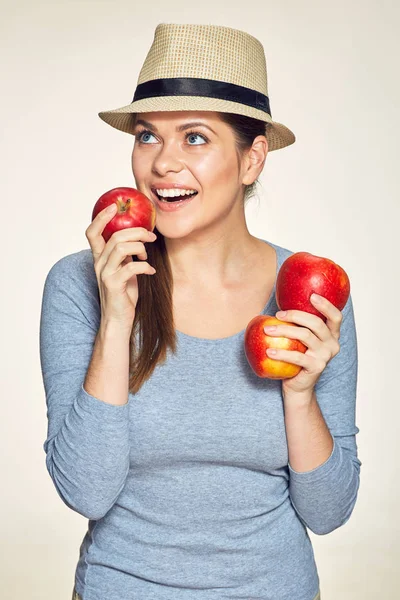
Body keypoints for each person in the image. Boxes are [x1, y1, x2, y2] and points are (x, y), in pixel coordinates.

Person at [39, 23, 361, 600]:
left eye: (194, 138)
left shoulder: (307, 296)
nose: (162, 164)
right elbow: (85, 490)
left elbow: (329, 511)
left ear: (252, 158)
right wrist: (117, 320)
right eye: (145, 136)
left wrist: (300, 393)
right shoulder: (79, 283)